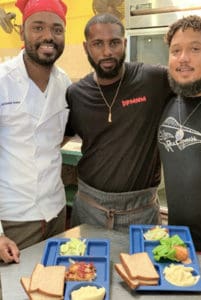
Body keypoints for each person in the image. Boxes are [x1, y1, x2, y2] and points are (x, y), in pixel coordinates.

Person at [65, 13, 172, 233]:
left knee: (141, 268)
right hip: (89, 208)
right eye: (98, 44)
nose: (107, 52)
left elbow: (197, 86)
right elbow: (58, 138)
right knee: (83, 267)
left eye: (114, 42)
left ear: (124, 43)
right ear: (86, 47)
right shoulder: (76, 93)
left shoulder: (154, 80)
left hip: (141, 212)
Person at [0, 0, 71, 264]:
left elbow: (60, 137)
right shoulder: (2, 81)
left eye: (57, 29)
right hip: (13, 221)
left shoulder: (65, 83)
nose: (48, 36)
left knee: (54, 284)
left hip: (55, 213)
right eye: (38, 27)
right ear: (22, 32)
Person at [158, 15, 201, 256]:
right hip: (177, 246)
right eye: (176, 50)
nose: (183, 58)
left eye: (195, 48)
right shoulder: (169, 101)